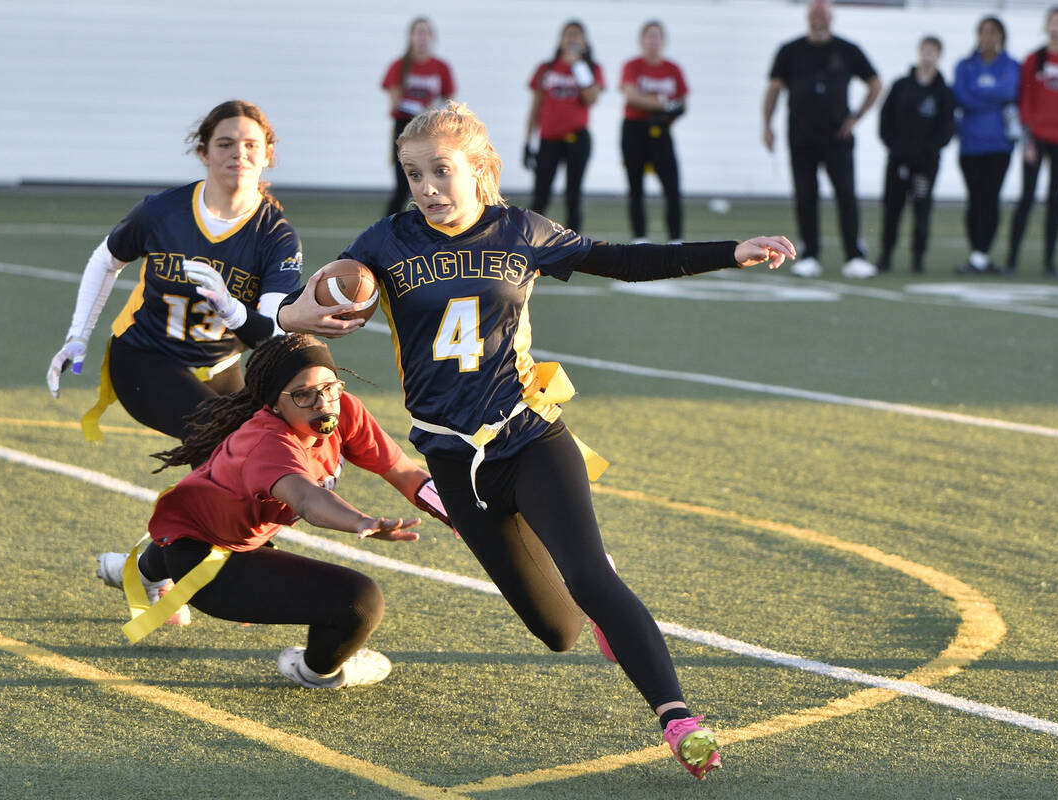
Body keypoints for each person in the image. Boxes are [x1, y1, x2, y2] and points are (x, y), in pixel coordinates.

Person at [276, 102, 796, 779]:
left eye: (441, 170)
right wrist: (297, 312)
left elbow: (622, 260)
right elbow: (305, 305)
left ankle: (680, 720)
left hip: (528, 436)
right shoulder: (386, 242)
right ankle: (589, 607)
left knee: (591, 576)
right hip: (454, 460)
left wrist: (730, 251)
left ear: (480, 169)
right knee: (559, 631)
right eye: (414, 174)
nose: (428, 187)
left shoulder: (520, 230)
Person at [95, 333, 451, 688]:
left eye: (330, 387)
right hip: (206, 561)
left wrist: (456, 512)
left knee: (205, 519)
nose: (323, 402)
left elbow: (404, 471)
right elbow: (308, 500)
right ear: (275, 404)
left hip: (207, 525)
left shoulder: (345, 410)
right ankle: (315, 671)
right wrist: (360, 521)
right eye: (303, 394)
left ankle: (144, 575)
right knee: (360, 601)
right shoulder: (267, 443)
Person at [46, 100, 306, 444]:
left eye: (250, 145)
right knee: (229, 443)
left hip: (220, 364)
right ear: (203, 153)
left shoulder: (276, 236)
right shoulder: (162, 211)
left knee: (265, 451)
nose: (238, 153)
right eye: (225, 144)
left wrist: (232, 309)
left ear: (267, 153)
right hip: (146, 356)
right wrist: (79, 334)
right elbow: (106, 260)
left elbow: (272, 334)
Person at [763, 0, 882, 280]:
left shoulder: (847, 50)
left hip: (837, 137)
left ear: (831, 17)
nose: (818, 17)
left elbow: (876, 84)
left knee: (846, 195)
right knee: (805, 196)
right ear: (807, 17)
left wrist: (856, 117)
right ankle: (810, 255)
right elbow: (774, 89)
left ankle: (854, 255)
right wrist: (767, 125)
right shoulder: (790, 50)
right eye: (814, 12)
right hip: (801, 136)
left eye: (823, 13)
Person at [1005, 7, 1058, 278]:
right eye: (1052, 22)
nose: (1056, 27)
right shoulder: (1033, 60)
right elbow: (1023, 101)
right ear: (1045, 26)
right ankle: (1011, 260)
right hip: (1036, 139)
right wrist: (1027, 139)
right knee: (1026, 198)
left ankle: (1049, 262)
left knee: (1054, 201)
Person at [876, 36, 956, 274]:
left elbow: (946, 129)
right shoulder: (901, 86)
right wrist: (895, 148)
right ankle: (886, 256)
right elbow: (885, 120)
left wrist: (928, 152)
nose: (928, 55)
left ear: (939, 55)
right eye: (924, 50)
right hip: (898, 162)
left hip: (926, 166)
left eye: (933, 51)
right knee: (892, 210)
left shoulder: (943, 92)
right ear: (919, 52)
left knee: (921, 212)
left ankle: (917, 259)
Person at [953, 16, 1020, 275]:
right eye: (983, 32)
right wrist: (987, 99)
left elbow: (1008, 92)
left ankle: (981, 254)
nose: (988, 37)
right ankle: (976, 251)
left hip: (998, 145)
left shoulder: (1010, 65)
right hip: (970, 143)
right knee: (975, 199)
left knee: (991, 198)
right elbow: (961, 96)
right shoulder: (965, 65)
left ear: (1001, 36)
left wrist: (978, 95)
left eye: (993, 33)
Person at [525, 20, 604, 234]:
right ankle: (532, 238)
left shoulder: (591, 68)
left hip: (577, 139)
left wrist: (578, 67)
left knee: (573, 193)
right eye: (568, 34)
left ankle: (572, 244)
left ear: (585, 41)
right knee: (541, 193)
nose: (572, 39)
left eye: (577, 35)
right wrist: (527, 141)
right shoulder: (546, 68)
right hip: (549, 138)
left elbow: (591, 99)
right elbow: (535, 106)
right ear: (560, 39)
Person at [620, 20, 689, 244]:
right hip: (635, 130)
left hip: (661, 131)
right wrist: (663, 104)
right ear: (642, 40)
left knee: (671, 185)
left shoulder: (672, 69)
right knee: (636, 186)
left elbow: (682, 103)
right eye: (649, 36)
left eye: (657, 36)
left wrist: (657, 106)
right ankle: (640, 236)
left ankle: (675, 236)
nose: (653, 41)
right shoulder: (633, 65)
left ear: (663, 40)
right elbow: (632, 97)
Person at [381, 17, 456, 218]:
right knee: (403, 184)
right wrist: (422, 109)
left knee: (430, 182)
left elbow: (449, 101)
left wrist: (434, 112)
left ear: (432, 37)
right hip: (405, 129)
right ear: (411, 37)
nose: (422, 38)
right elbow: (395, 102)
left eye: (426, 33)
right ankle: (387, 228)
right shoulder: (399, 65)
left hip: (430, 131)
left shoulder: (441, 67)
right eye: (418, 33)